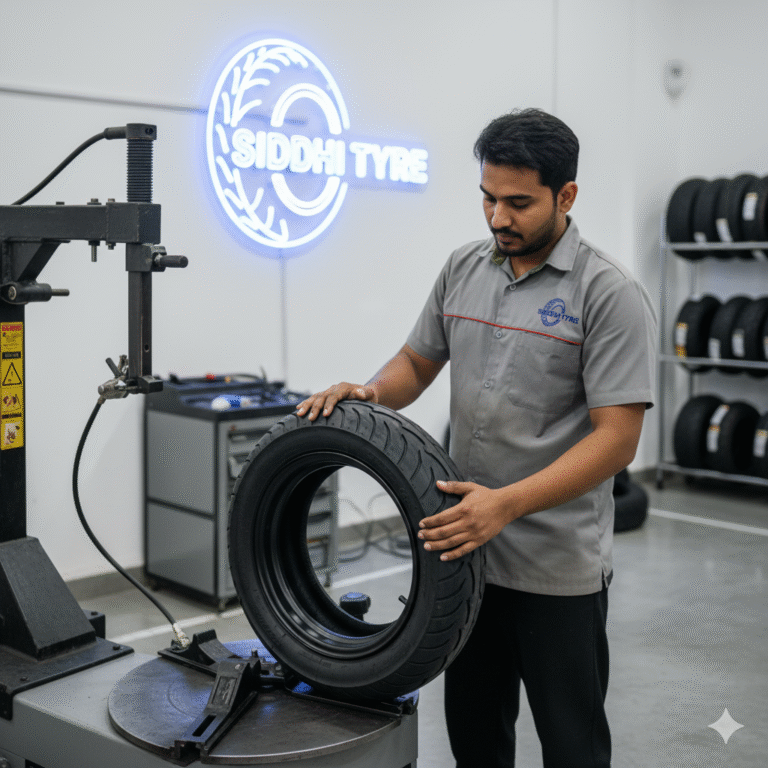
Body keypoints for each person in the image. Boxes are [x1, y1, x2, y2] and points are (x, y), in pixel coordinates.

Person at [296, 108, 656, 768]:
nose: (497, 218)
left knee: (573, 746)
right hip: (467, 560)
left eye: (518, 203)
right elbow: (416, 363)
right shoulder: (464, 267)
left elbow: (616, 442)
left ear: (566, 195)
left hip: (556, 570)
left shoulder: (609, 294)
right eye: (488, 199)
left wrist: (508, 503)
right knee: (474, 735)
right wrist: (370, 391)